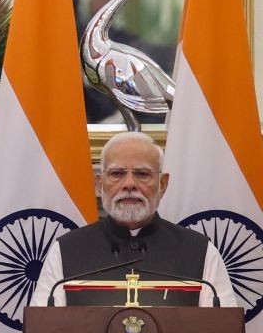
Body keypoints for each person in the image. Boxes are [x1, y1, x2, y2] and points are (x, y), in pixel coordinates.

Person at [30, 132, 235, 308]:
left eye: (142, 174)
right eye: (117, 173)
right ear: (99, 184)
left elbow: (223, 332)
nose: (129, 184)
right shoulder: (66, 250)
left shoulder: (199, 251)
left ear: (163, 184)